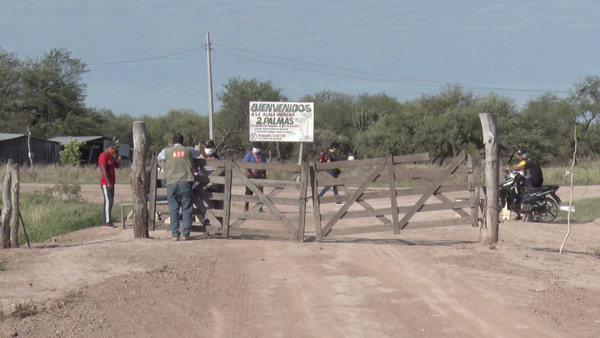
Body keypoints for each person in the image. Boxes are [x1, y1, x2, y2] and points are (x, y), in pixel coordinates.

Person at [157, 133, 201, 241]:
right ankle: (185, 234)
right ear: (183, 141)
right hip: (185, 181)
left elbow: (159, 157)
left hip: (171, 182)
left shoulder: (166, 151)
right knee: (186, 208)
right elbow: (198, 153)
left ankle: (175, 235)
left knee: (173, 209)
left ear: (172, 142)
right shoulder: (189, 150)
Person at [196, 139, 223, 225]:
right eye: (207, 147)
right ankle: (206, 221)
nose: (209, 148)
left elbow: (225, 170)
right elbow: (196, 170)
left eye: (210, 147)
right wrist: (198, 176)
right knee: (207, 206)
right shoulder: (201, 158)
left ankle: (219, 226)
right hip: (205, 186)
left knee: (219, 208)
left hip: (217, 186)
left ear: (214, 148)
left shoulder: (219, 158)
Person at [98, 142, 120, 228]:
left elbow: (117, 166)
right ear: (107, 148)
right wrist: (108, 182)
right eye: (112, 148)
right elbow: (103, 169)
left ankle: (108, 219)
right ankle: (106, 221)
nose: (113, 150)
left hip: (111, 182)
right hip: (105, 183)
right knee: (108, 201)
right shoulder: (103, 156)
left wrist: (117, 156)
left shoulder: (110, 157)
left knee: (110, 201)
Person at [242, 142, 266, 212]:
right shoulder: (249, 155)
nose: (256, 149)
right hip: (251, 176)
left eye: (257, 147)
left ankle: (260, 208)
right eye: (255, 147)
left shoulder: (262, 156)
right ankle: (246, 207)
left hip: (259, 176)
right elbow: (244, 164)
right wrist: (248, 174)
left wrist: (264, 176)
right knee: (248, 193)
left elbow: (264, 167)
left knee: (260, 193)